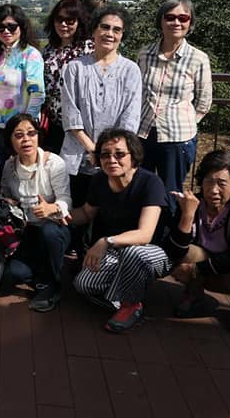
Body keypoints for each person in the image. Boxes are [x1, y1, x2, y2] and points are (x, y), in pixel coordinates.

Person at [69, 129, 171, 333]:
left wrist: (105, 241)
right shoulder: (99, 180)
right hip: (117, 251)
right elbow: (87, 213)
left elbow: (145, 234)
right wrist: (58, 214)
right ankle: (124, 297)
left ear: (133, 156)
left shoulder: (150, 182)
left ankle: (131, 305)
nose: (112, 160)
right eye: (105, 155)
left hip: (153, 251)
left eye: (119, 154)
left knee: (134, 252)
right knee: (83, 284)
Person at [166, 150, 230, 333]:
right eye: (208, 181)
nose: (213, 190)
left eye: (222, 183)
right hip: (204, 267)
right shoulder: (192, 202)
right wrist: (187, 215)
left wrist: (196, 269)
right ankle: (194, 295)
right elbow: (174, 250)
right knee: (187, 252)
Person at [60, 4, 142, 214]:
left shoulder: (131, 70)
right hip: (78, 156)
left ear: (122, 35)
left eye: (117, 30)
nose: (110, 34)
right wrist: (93, 149)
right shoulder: (75, 68)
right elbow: (70, 114)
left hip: (115, 158)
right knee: (76, 212)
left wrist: (106, 152)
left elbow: (130, 118)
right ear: (94, 30)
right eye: (105, 27)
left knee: (110, 216)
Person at [138, 0, 213, 209]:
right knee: (140, 188)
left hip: (178, 138)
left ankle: (169, 230)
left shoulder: (198, 58)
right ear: (161, 21)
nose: (176, 22)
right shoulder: (144, 54)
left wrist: (185, 122)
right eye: (170, 17)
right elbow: (138, 92)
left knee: (171, 193)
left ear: (190, 23)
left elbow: (204, 101)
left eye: (183, 18)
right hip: (143, 133)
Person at [0, 113, 72, 312]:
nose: (26, 140)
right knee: (15, 273)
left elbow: (66, 200)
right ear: (10, 140)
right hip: (27, 231)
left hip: (54, 228)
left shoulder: (54, 163)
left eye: (31, 133)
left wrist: (52, 208)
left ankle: (54, 283)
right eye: (18, 135)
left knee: (50, 232)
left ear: (38, 136)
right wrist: (8, 203)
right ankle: (43, 279)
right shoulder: (9, 166)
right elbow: (4, 194)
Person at [0, 3, 45, 166]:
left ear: (21, 27)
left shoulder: (31, 55)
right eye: (1, 27)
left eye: (11, 26)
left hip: (23, 132)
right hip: (0, 129)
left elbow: (37, 93)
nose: (6, 31)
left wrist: (26, 126)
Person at [41, 0, 94, 153]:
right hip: (52, 122)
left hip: (80, 124)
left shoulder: (89, 48)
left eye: (70, 21)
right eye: (59, 20)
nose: (63, 25)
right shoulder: (49, 49)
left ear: (79, 22)